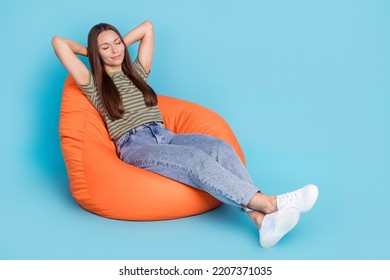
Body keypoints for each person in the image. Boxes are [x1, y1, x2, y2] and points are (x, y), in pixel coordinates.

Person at [52, 20, 319, 248]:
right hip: (135, 145)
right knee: (194, 159)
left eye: (117, 42)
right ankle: (271, 203)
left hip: (164, 135)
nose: (114, 50)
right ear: (96, 53)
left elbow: (148, 28)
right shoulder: (94, 84)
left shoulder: (137, 73)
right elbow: (59, 43)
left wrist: (115, 44)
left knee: (219, 147)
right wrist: (93, 52)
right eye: (105, 47)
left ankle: (261, 222)